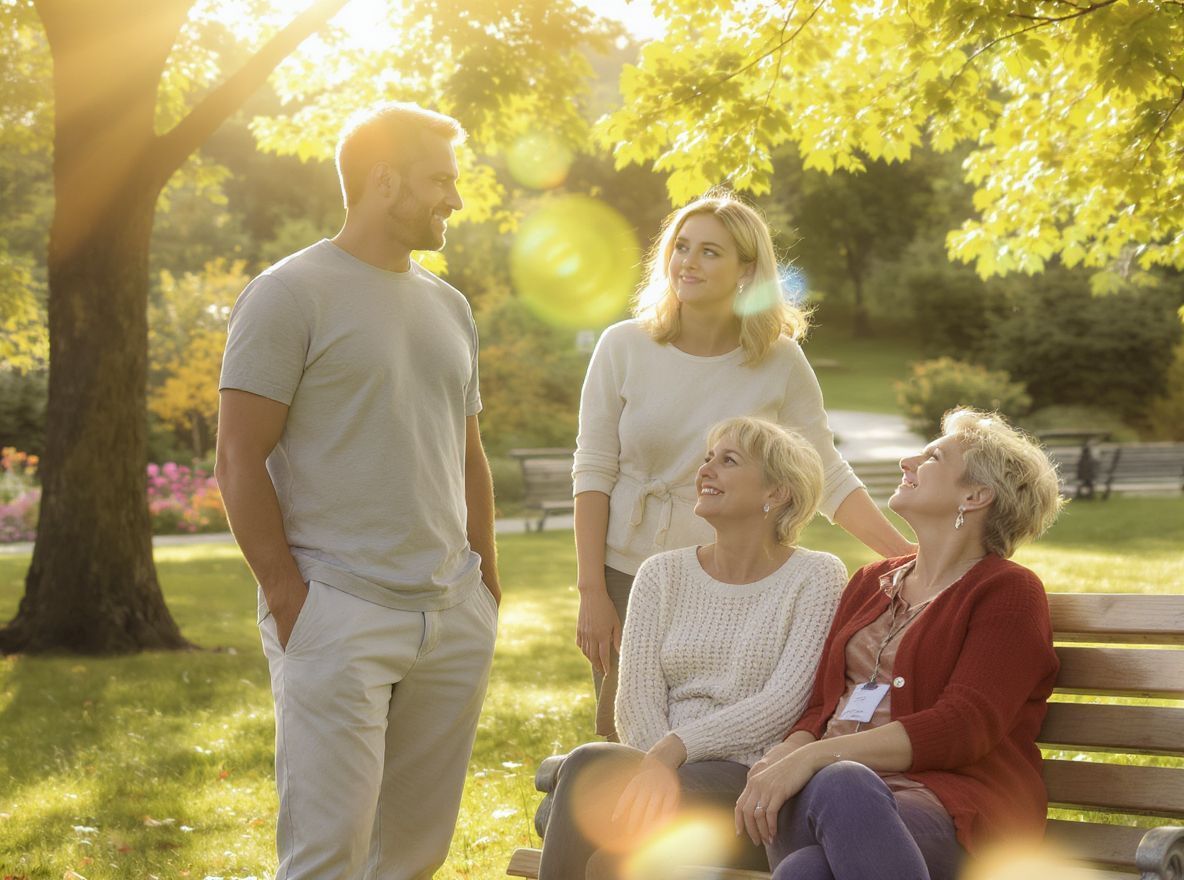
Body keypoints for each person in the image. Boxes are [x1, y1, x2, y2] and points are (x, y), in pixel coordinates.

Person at [215, 102, 499, 880]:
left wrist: (486, 592)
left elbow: (467, 451)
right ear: (383, 181)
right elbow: (239, 455)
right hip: (338, 609)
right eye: (441, 179)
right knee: (327, 855)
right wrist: (288, 597)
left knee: (413, 854)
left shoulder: (450, 306)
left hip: (451, 613)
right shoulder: (288, 294)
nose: (455, 199)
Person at [572, 189, 914, 739]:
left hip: (730, 580)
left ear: (746, 269)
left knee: (722, 735)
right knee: (627, 733)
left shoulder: (777, 358)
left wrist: (911, 558)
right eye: (681, 246)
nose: (688, 261)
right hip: (627, 571)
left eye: (710, 252)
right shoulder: (623, 346)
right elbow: (592, 472)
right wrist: (592, 590)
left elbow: (824, 470)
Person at [734, 408, 1065, 880]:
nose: (907, 461)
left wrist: (814, 758)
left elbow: (962, 727)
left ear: (975, 495)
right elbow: (821, 708)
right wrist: (787, 753)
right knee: (815, 840)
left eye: (932, 456)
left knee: (816, 844)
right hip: (827, 797)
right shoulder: (870, 582)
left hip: (954, 809)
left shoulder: (1007, 592)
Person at [539, 417, 850, 880]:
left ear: (777, 493)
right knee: (590, 770)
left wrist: (675, 750)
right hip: (655, 768)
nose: (706, 470)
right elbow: (635, 698)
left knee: (581, 789)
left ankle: (567, 788)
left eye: (728, 461)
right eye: (707, 458)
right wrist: (655, 766)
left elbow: (784, 704)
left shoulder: (817, 576)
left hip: (748, 783)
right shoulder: (660, 574)